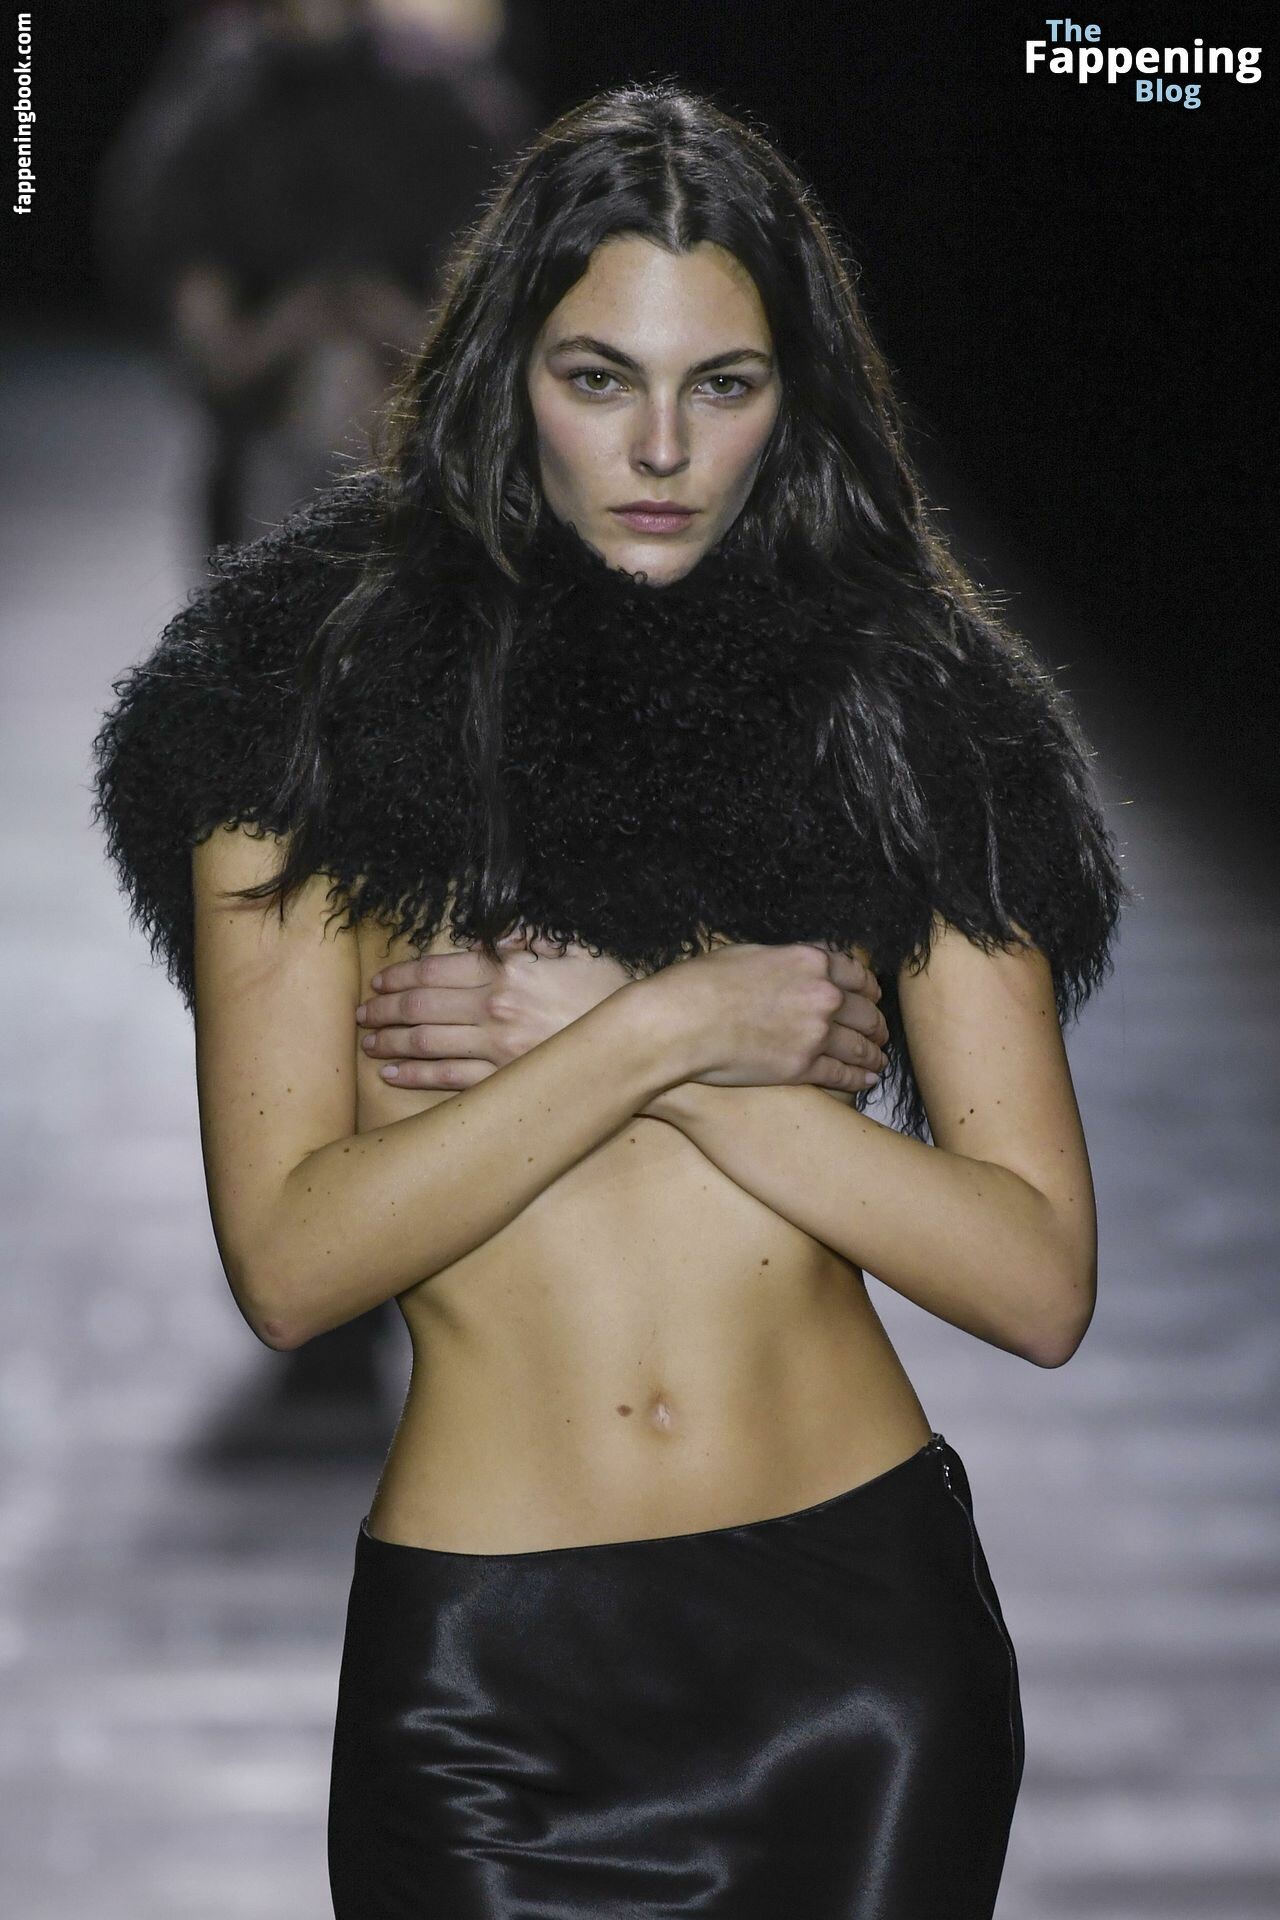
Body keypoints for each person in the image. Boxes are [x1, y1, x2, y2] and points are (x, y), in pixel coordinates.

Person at [91, 79, 1124, 1919]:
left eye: (722, 386)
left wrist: (692, 1061)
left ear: (795, 398)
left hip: (857, 1666)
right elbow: (294, 1263)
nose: (660, 447)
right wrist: (662, 1028)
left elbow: (1037, 1280)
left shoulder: (905, 712)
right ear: (507, 373)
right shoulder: (296, 707)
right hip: (485, 1699)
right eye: (599, 378)